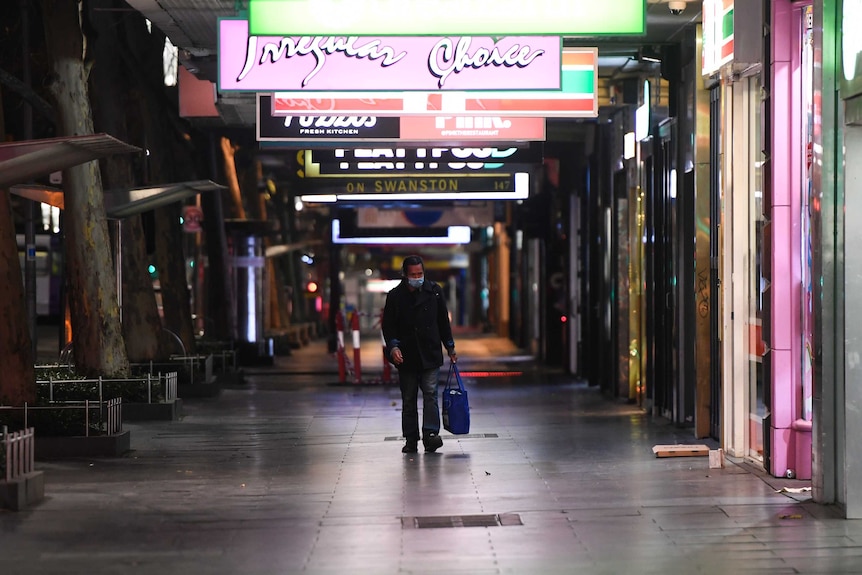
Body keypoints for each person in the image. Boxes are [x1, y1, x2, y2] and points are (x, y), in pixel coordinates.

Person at [383, 255, 457, 453]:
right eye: (413, 275)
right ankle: (410, 439)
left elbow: (443, 322)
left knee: (431, 394)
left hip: (430, 352)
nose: (417, 277)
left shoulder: (434, 292)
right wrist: (393, 347)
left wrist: (449, 346)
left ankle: (431, 435)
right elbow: (388, 327)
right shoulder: (395, 296)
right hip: (406, 355)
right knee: (408, 398)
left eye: (420, 274)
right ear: (405, 276)